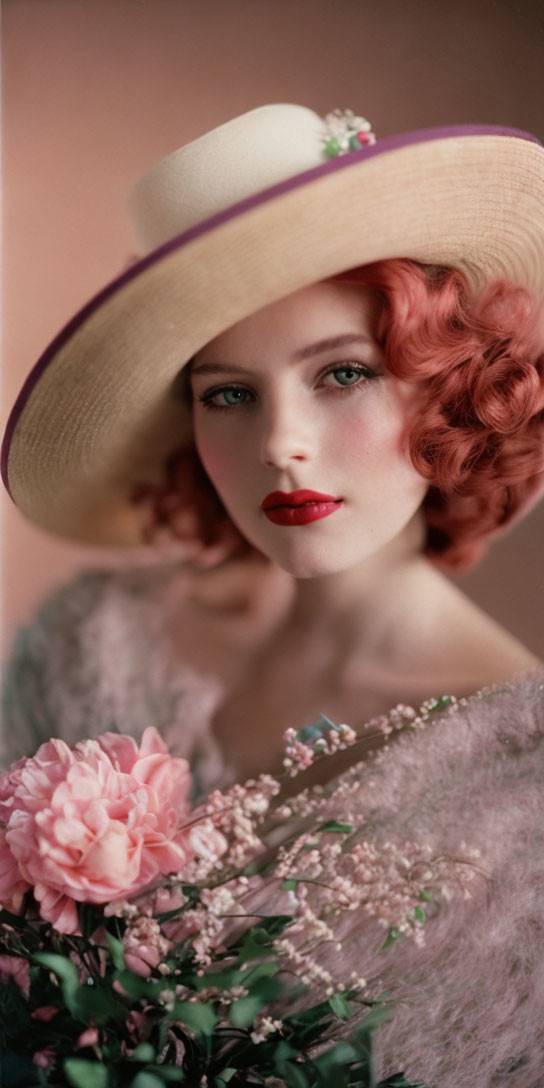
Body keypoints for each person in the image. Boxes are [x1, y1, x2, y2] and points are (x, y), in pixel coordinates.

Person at [2, 104, 544, 1084]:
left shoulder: (526, 783)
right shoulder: (95, 639)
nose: (280, 444)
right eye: (228, 393)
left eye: (340, 372)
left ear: (449, 387)